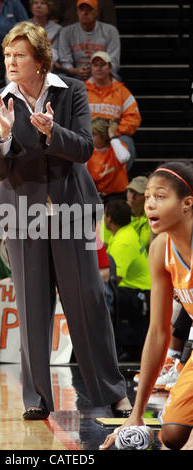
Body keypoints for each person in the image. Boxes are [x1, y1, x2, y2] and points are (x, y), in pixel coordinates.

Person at [0, 21, 131, 420]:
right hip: (22, 214)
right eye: (7, 55)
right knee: (31, 306)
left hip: (72, 211)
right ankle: (36, 399)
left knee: (87, 300)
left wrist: (53, 132)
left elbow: (84, 148)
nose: (11, 62)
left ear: (40, 60)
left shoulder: (72, 91)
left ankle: (113, 391)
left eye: (19, 56)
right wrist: (3, 134)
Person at [100, 161, 193, 451]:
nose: (150, 204)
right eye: (149, 196)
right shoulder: (160, 249)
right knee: (172, 435)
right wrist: (136, 414)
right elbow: (157, 332)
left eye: (161, 197)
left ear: (187, 203)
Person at [104, 199, 151, 360]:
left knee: (103, 295)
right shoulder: (125, 232)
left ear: (109, 218)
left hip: (140, 295)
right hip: (136, 290)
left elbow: (113, 279)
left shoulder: (123, 241)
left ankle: (110, 348)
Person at [85, 50, 141, 170]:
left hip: (114, 134)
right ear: (91, 68)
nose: (99, 68)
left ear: (110, 68)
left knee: (127, 142)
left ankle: (121, 181)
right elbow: (72, 115)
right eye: (95, 65)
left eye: (103, 65)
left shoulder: (122, 91)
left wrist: (115, 131)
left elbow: (133, 118)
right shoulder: (82, 90)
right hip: (88, 134)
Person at [58, 0, 120, 81]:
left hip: (102, 73)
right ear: (77, 12)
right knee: (60, 77)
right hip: (75, 74)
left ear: (96, 12)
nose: (85, 13)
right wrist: (75, 70)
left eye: (89, 9)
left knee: (116, 78)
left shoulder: (110, 31)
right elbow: (64, 61)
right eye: (81, 9)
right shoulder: (66, 32)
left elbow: (114, 62)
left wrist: (96, 70)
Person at [87, 116, 129, 199]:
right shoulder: (88, 152)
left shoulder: (115, 147)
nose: (90, 137)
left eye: (94, 134)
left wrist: (112, 136)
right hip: (99, 196)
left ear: (104, 136)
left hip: (118, 195)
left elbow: (124, 157)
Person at [28, 0, 61, 70]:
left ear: (49, 7)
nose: (38, 6)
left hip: (50, 67)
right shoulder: (21, 27)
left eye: (43, 3)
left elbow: (56, 55)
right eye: (35, 3)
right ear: (31, 7)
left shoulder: (57, 29)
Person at [126, 176, 151, 253]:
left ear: (147, 197)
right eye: (130, 191)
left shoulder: (154, 218)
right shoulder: (115, 212)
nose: (132, 197)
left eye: (138, 193)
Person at [51, 0, 117, 27]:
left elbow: (110, 28)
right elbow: (53, 22)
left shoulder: (105, 2)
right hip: (68, 39)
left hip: (96, 41)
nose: (85, 12)